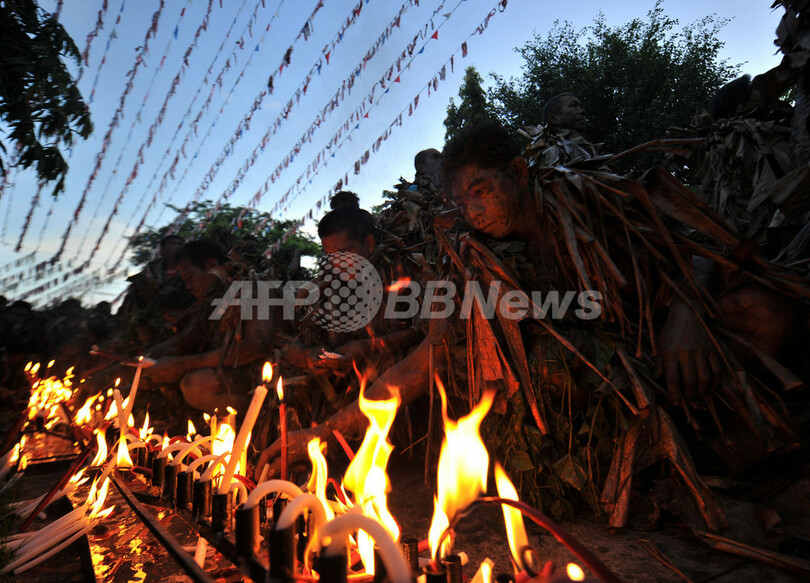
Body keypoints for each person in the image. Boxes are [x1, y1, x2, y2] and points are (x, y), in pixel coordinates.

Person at [258, 122, 808, 531]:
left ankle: (738, 454)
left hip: (662, 349)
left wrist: (685, 315)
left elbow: (698, 251)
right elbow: (423, 362)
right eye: (460, 199)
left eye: (482, 190)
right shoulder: (475, 261)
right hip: (593, 395)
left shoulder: (584, 201)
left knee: (760, 308)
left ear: (518, 174)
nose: (472, 211)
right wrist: (321, 432)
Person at [135, 238, 275, 415]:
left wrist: (182, 365)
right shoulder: (210, 303)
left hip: (266, 377)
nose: (188, 287)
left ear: (212, 265)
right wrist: (136, 364)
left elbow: (254, 347)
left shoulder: (254, 288)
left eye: (190, 278)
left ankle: (263, 424)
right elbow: (179, 342)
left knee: (195, 385)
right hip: (236, 374)